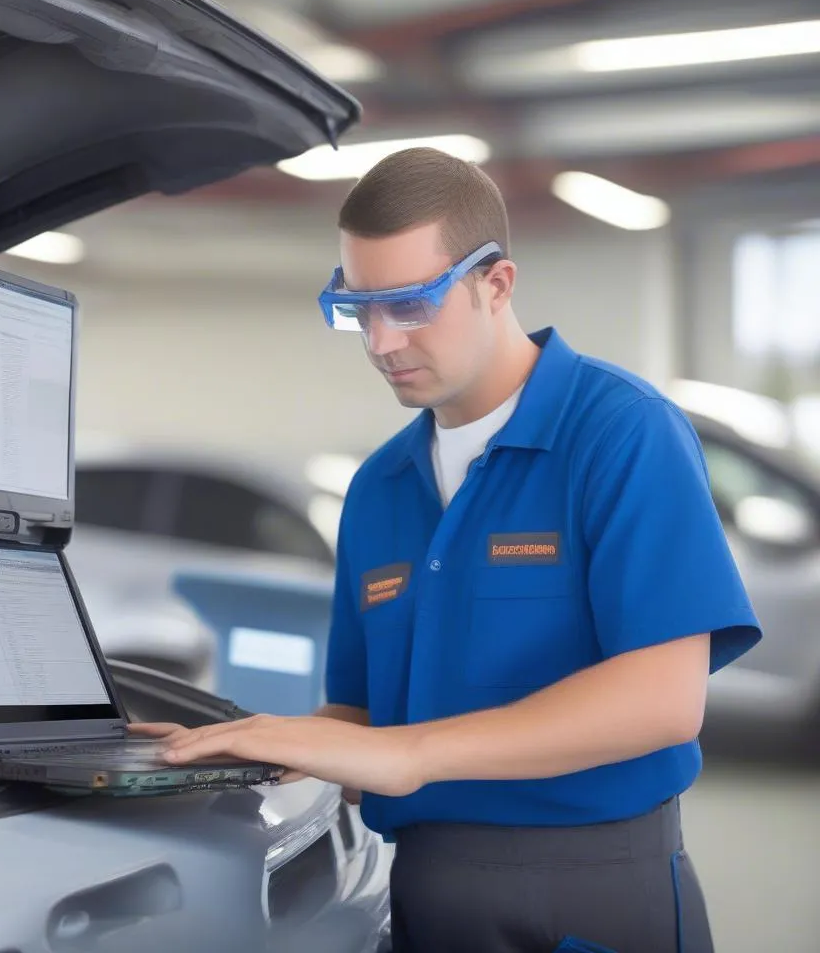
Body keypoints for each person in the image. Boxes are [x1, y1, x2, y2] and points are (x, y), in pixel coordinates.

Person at [131, 147, 762, 953]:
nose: (380, 341)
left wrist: (409, 755)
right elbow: (365, 714)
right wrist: (259, 746)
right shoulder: (378, 488)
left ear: (495, 284)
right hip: (427, 890)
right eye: (359, 308)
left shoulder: (621, 433)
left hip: (595, 888)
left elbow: (664, 701)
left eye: (409, 304)